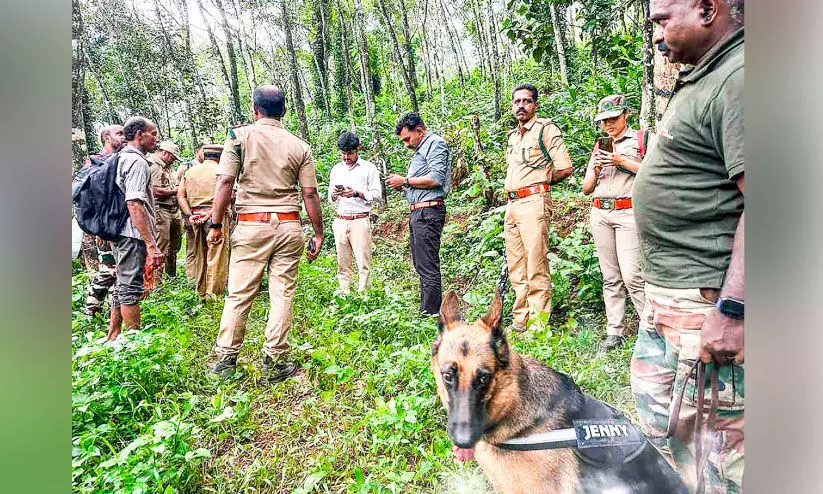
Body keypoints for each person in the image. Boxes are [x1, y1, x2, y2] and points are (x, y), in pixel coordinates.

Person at [631, 0, 744, 491]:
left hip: (707, 304)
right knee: (675, 438)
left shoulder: (741, 78)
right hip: (670, 300)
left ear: (706, 9)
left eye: (662, 19)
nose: (656, 33)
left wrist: (735, 309)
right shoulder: (704, 76)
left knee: (719, 456)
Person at [208, 86, 324, 384]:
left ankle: (225, 360)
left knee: (239, 293)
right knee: (282, 293)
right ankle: (275, 361)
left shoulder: (238, 137)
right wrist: (319, 232)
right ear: (284, 111)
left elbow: (224, 183)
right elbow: (309, 192)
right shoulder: (300, 145)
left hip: (251, 225)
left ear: (254, 108)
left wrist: (216, 224)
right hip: (289, 225)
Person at [504, 84, 573, 332]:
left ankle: (539, 323)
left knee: (535, 263)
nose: (521, 106)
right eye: (517, 102)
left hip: (534, 203)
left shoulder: (545, 129)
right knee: (516, 265)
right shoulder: (513, 136)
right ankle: (521, 319)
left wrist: (541, 182)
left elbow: (565, 167)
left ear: (535, 105)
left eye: (526, 101)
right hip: (512, 204)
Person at [582, 95, 648, 352]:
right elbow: (586, 188)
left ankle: (649, 329)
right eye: (604, 120)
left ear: (626, 114)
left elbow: (652, 172)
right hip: (601, 213)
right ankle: (614, 332)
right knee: (610, 277)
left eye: (613, 118)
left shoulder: (641, 139)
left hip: (627, 212)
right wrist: (597, 167)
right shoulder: (600, 145)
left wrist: (622, 161)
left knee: (633, 275)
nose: (608, 124)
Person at [386, 112, 451, 316]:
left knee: (428, 266)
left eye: (407, 138)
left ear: (420, 131)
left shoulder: (435, 144)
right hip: (420, 212)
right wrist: (405, 188)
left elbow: (436, 178)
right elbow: (423, 184)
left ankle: (430, 315)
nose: (406, 144)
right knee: (421, 264)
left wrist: (405, 180)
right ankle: (426, 313)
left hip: (428, 212)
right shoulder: (421, 149)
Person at [106, 116, 163, 341]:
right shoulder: (137, 161)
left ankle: (113, 334)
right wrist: (150, 243)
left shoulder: (119, 158)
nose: (155, 139)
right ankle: (132, 343)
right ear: (140, 135)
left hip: (119, 231)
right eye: (153, 133)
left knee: (122, 283)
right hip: (131, 233)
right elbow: (134, 202)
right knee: (131, 287)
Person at [328, 131, 382, 294]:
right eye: (343, 153)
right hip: (341, 219)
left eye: (350, 153)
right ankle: (345, 294)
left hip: (360, 220)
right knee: (342, 262)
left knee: (363, 262)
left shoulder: (368, 168)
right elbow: (330, 198)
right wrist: (335, 194)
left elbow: (377, 195)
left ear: (358, 149)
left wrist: (357, 193)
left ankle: (364, 295)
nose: (346, 157)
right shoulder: (336, 169)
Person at [177, 144, 229, 300]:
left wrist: (190, 214)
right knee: (217, 255)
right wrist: (210, 214)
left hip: (195, 218)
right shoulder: (222, 172)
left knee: (200, 255)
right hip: (216, 218)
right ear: (220, 157)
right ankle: (214, 294)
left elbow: (180, 195)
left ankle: (201, 291)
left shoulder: (190, 172)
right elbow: (227, 197)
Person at [83, 124, 126, 316]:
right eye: (119, 133)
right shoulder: (96, 163)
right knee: (109, 269)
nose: (124, 136)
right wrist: (100, 229)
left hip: (120, 224)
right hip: (105, 226)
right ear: (107, 138)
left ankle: (111, 312)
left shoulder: (120, 160)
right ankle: (91, 307)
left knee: (119, 270)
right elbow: (92, 198)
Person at [148, 141, 184, 278]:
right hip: (160, 210)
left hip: (173, 210)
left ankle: (171, 276)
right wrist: (175, 191)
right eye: (173, 157)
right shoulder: (152, 166)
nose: (174, 161)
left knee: (174, 247)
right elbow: (156, 192)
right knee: (160, 247)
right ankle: (155, 281)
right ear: (165, 153)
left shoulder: (168, 168)